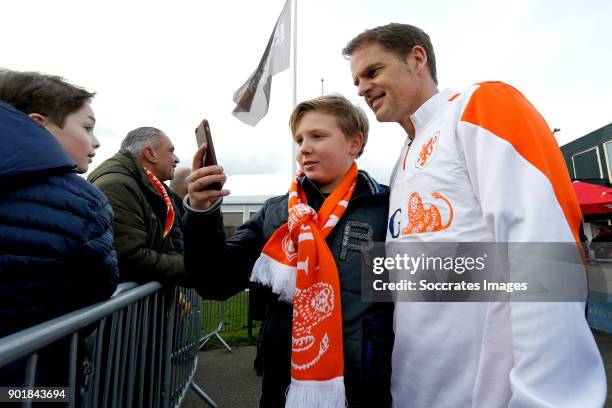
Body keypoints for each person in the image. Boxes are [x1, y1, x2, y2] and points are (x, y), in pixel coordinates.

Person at [343, 23, 606, 407]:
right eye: (356, 80)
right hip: (413, 390)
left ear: (417, 59)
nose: (362, 88)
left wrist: (545, 398)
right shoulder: (402, 161)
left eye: (373, 71)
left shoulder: (480, 105)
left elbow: (547, 260)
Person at [183, 95, 394, 407]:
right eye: (299, 139)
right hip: (283, 387)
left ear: (354, 143)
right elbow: (214, 281)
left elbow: (422, 297)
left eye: (318, 136)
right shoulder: (276, 213)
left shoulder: (385, 209)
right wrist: (201, 213)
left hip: (362, 387)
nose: (304, 148)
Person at [0, 69, 118, 384]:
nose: (96, 142)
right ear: (39, 125)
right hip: (35, 383)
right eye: (87, 127)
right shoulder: (85, 203)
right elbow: (98, 288)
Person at [88, 127, 190, 284]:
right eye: (171, 151)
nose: (176, 159)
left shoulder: (153, 188)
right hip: (123, 304)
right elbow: (130, 257)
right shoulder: (117, 186)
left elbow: (169, 245)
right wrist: (193, 270)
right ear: (150, 154)